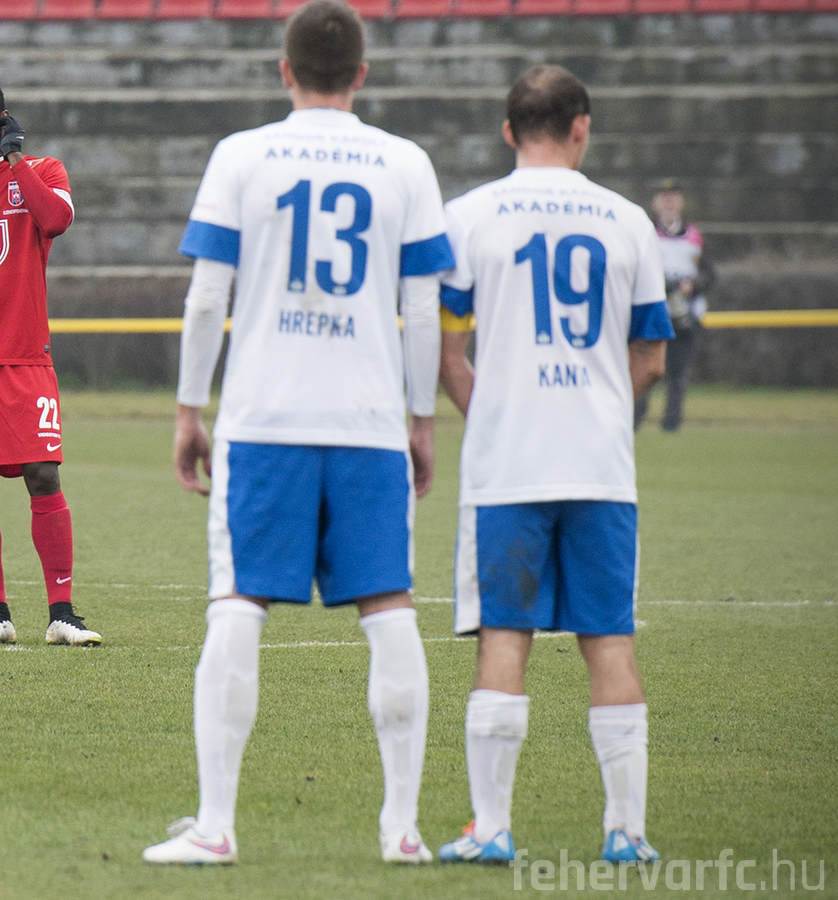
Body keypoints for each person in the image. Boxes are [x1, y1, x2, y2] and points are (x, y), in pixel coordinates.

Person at [143, 0, 451, 866]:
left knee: (239, 602)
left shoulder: (242, 155)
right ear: (361, 73)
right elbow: (423, 307)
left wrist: (188, 409)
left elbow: (207, 296)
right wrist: (421, 418)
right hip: (367, 421)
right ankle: (402, 829)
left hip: (265, 419)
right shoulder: (406, 162)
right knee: (388, 603)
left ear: (285, 71)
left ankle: (216, 825)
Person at [433, 64, 672, 866]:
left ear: (508, 131)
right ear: (582, 128)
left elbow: (448, 353)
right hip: (601, 467)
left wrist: (497, 414)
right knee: (610, 640)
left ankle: (491, 828)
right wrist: (597, 409)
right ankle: (627, 832)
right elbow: (651, 356)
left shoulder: (469, 217)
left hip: (509, 467)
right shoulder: (630, 221)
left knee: (504, 636)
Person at [0, 75, 102, 648]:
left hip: (25, 358)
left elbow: (55, 221)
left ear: (4, 115)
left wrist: (15, 161)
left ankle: (62, 613)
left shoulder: (43, 170)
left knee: (43, 474)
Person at [633, 179, 714, 432]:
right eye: (664, 197)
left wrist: (693, 286)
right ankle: (634, 421)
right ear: (655, 203)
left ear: (680, 202)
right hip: (653, 314)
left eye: (673, 197)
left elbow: (710, 274)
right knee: (646, 369)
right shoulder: (644, 232)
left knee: (678, 375)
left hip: (685, 316)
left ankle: (671, 425)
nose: (669, 202)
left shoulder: (694, 235)